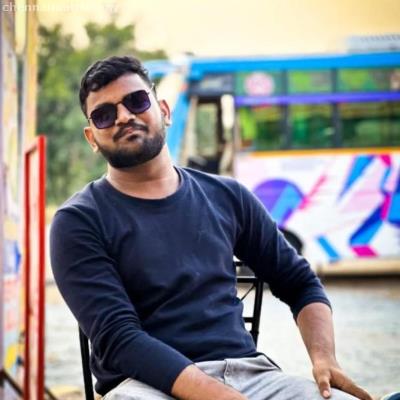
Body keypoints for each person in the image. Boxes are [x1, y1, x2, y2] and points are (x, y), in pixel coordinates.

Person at [50, 55, 372, 400]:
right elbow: (119, 339)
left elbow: (300, 282)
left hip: (250, 377)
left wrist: (325, 360)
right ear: (92, 138)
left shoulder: (228, 196)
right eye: (104, 114)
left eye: (136, 101)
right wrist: (218, 396)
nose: (124, 116)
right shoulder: (78, 221)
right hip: (145, 387)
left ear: (164, 110)